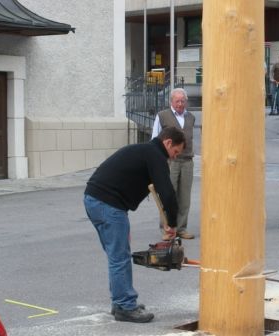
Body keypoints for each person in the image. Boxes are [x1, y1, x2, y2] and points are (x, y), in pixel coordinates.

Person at [83, 127, 185, 323]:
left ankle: (120, 302)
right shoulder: (155, 155)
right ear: (168, 143)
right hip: (107, 204)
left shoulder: (145, 151)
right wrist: (172, 224)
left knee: (117, 255)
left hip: (96, 199)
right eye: (175, 152)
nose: (173, 158)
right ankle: (125, 306)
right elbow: (168, 193)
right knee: (119, 256)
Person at [152, 88, 196, 240]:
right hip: (170, 162)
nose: (180, 104)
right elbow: (154, 138)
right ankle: (167, 229)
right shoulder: (162, 116)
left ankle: (181, 228)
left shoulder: (191, 117)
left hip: (187, 161)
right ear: (171, 101)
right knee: (168, 195)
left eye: (183, 101)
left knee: (185, 197)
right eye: (177, 101)